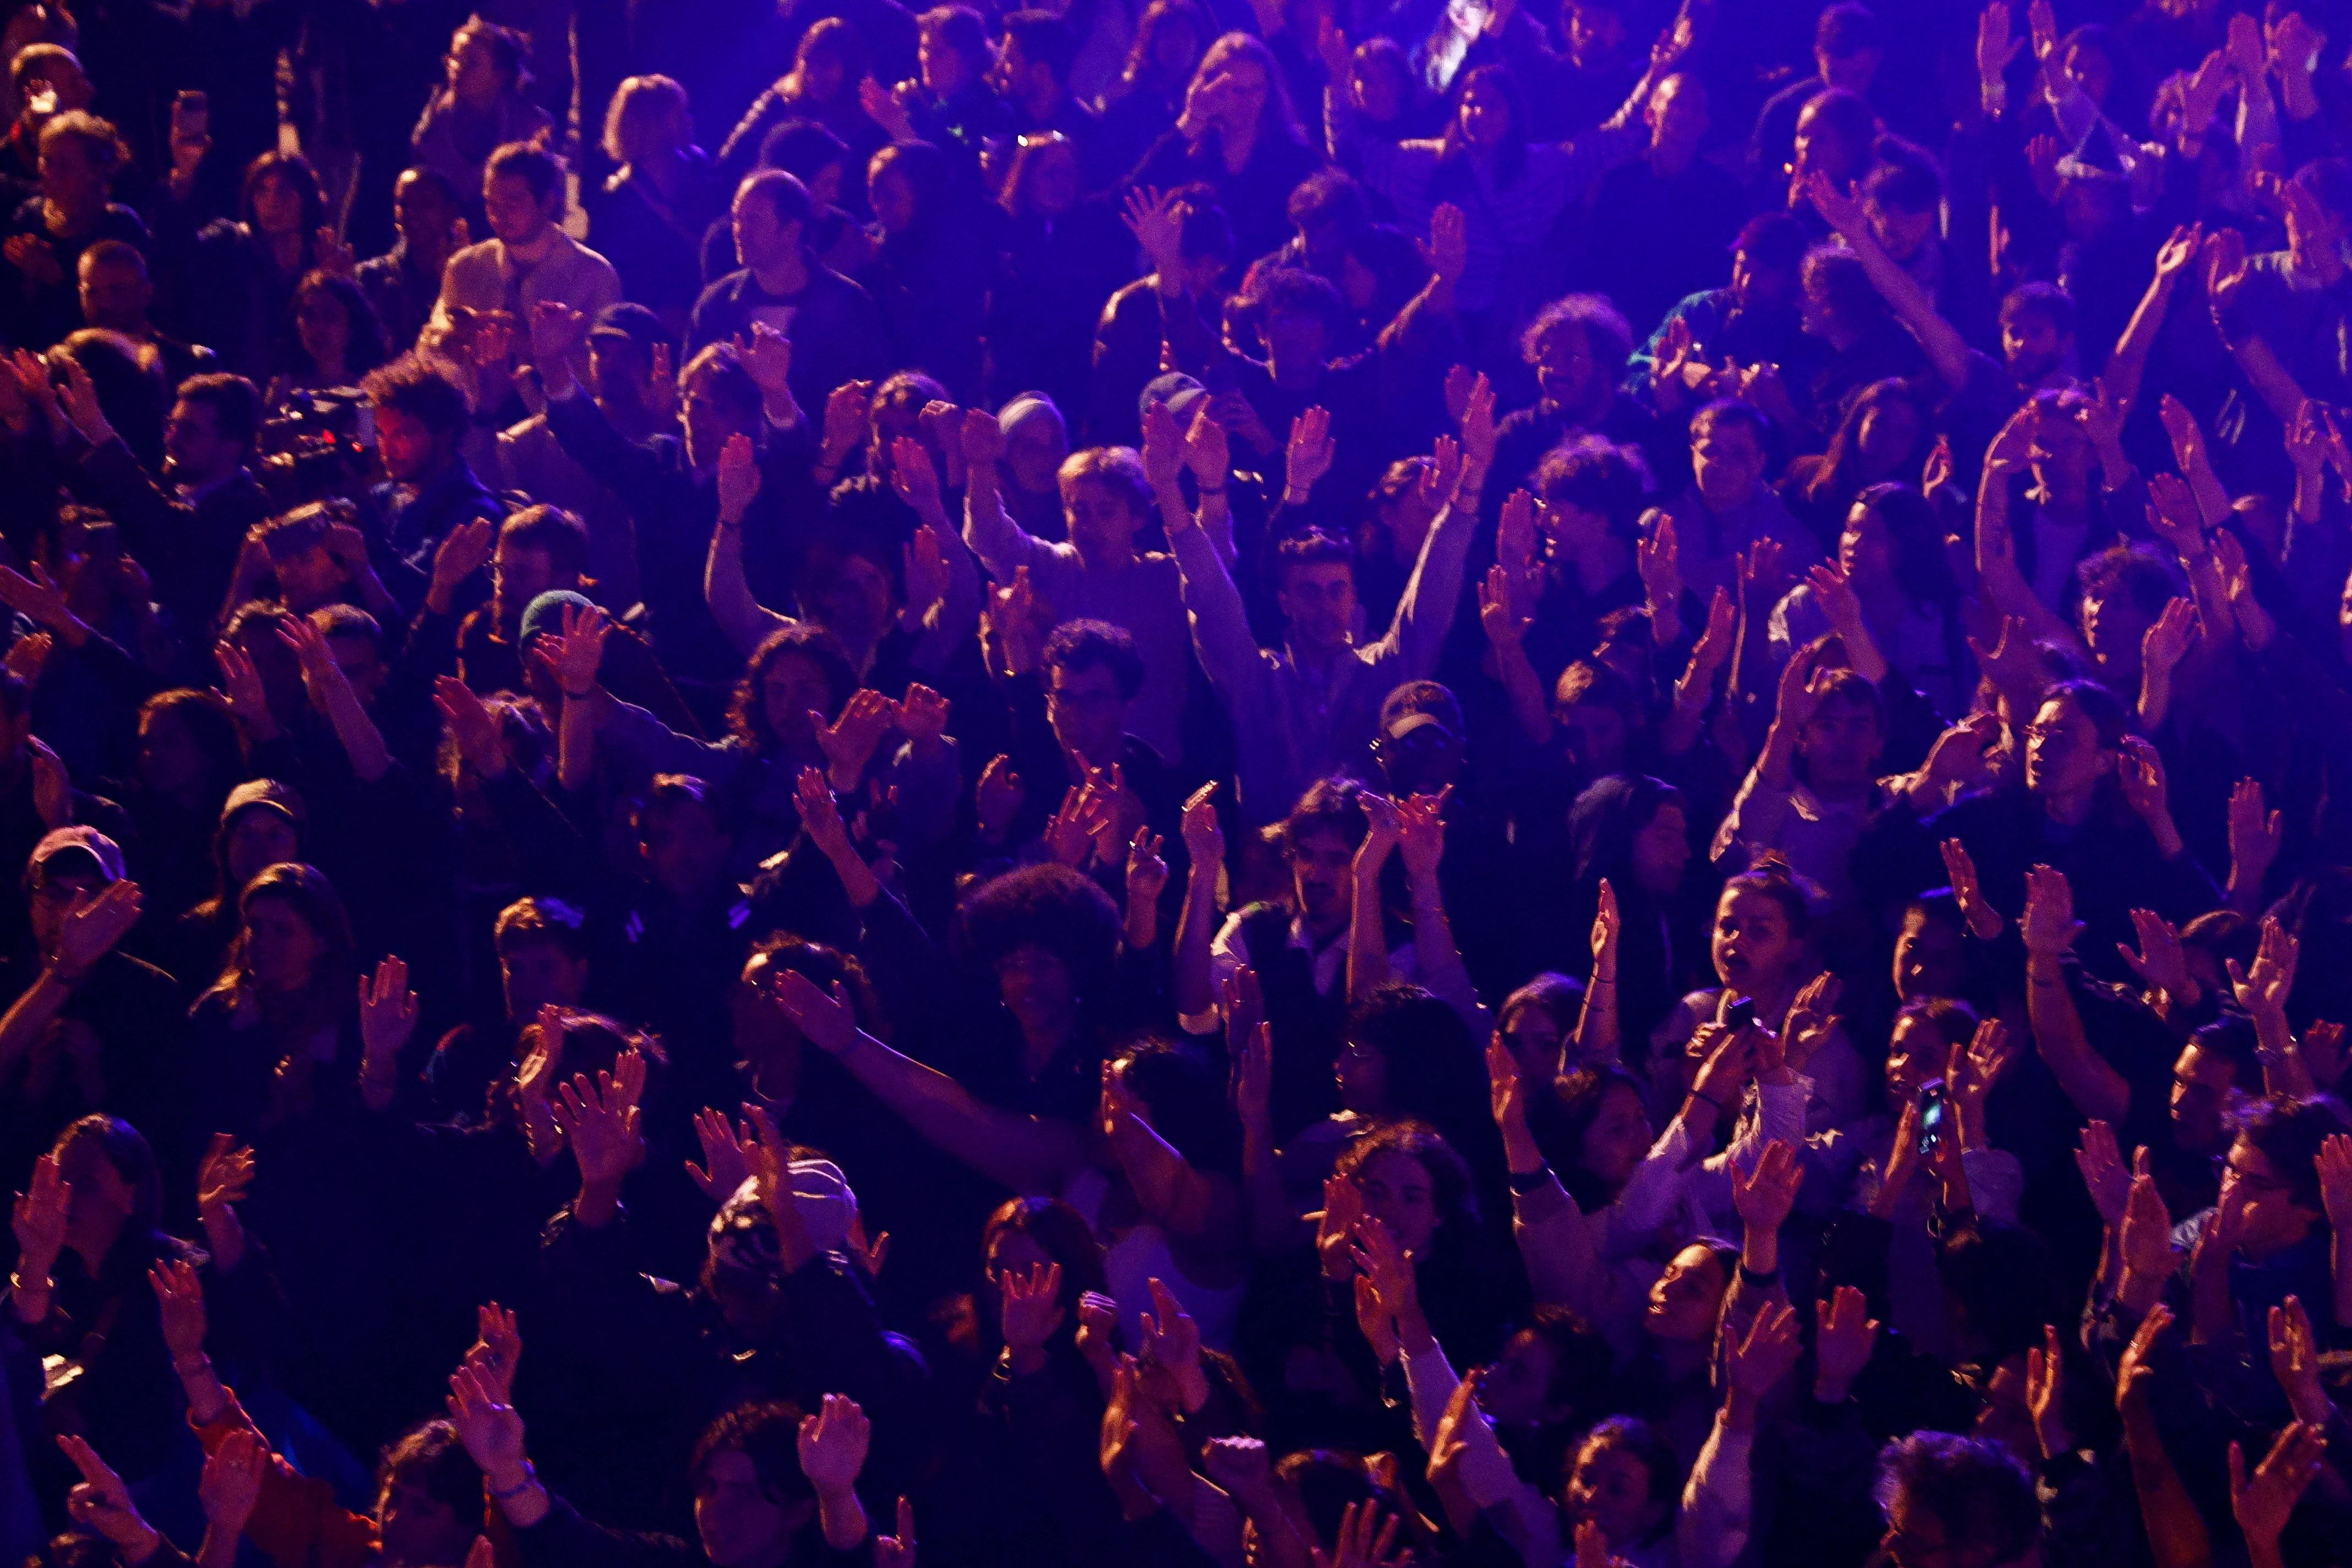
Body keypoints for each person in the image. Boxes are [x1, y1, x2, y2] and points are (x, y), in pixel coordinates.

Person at [430, 141, 622, 388]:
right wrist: (455, 338)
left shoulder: (593, 275)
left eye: (513, 204)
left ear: (548, 202)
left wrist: (525, 342)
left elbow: (609, 377)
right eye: (491, 203)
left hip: (557, 421)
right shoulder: (466, 267)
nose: (499, 215)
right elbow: (430, 351)